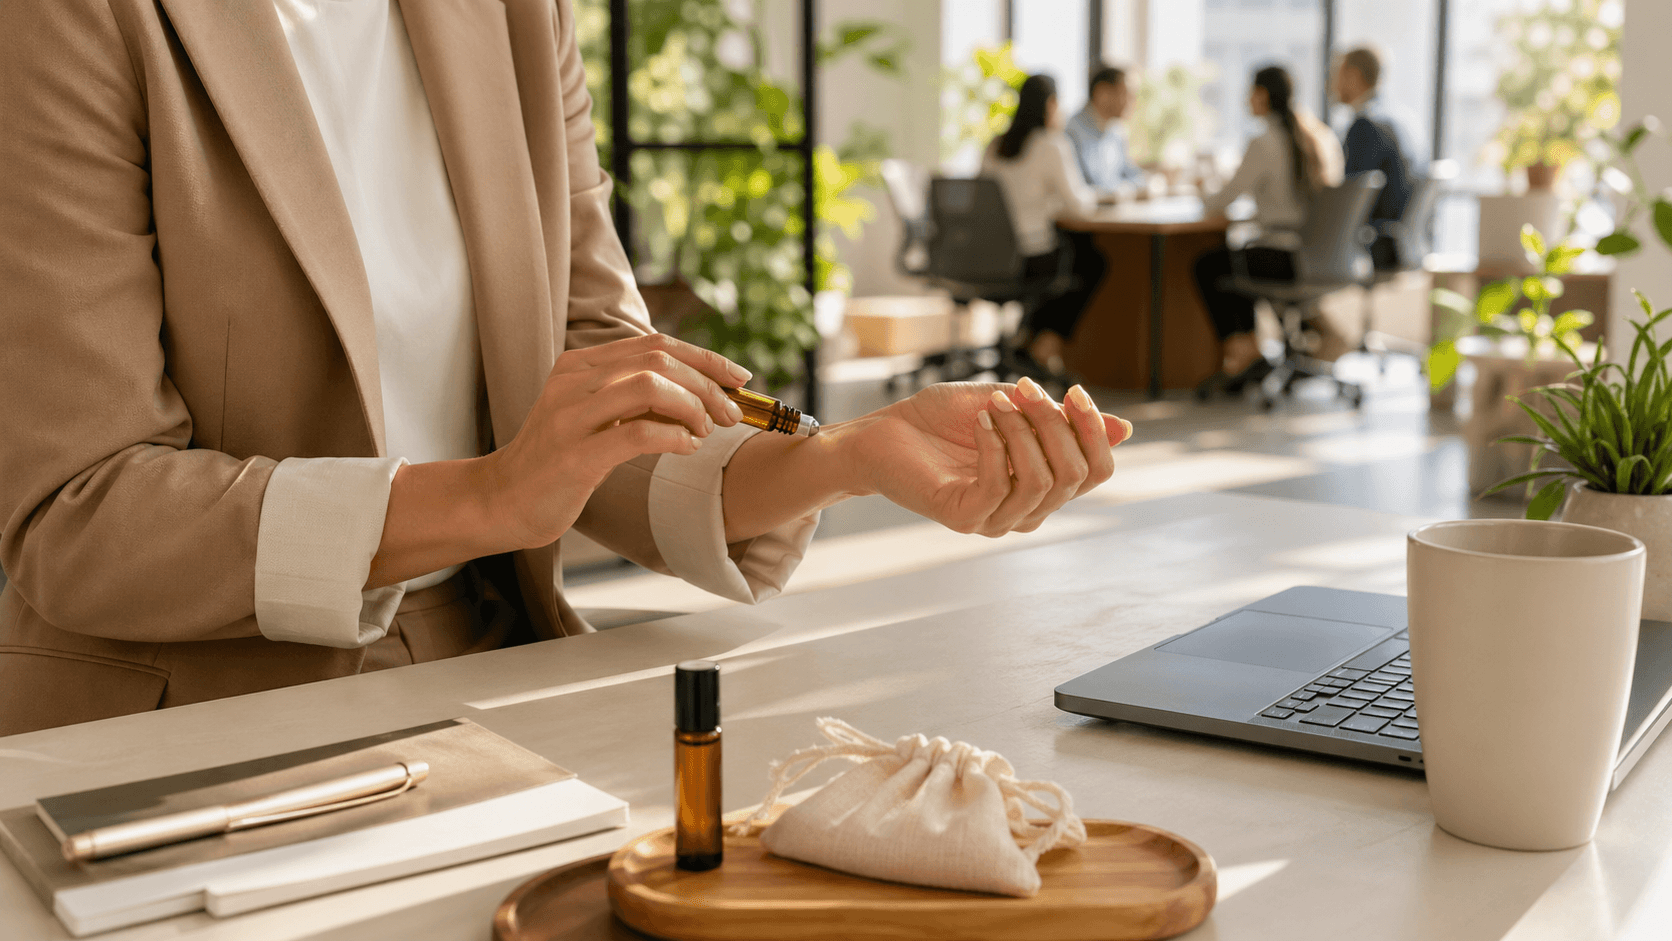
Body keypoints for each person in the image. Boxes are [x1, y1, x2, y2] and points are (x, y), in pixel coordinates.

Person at [0, 0, 1134, 735]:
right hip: (190, 721)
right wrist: (487, 494)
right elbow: (76, 512)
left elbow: (594, 389)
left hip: (494, 667)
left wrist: (846, 457)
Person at [1192, 65, 1344, 381]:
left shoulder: (1264, 141)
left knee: (1209, 265)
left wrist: (1200, 188)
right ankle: (1253, 348)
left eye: (1250, 92)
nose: (1247, 99)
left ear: (1262, 95)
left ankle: (1245, 348)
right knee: (1233, 259)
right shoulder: (1316, 134)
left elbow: (1221, 200)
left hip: (1284, 256)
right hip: (1318, 255)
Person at [981, 74, 1103, 378]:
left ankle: (1026, 337)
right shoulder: (1051, 144)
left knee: (1069, 253)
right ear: (1051, 105)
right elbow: (1080, 206)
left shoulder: (995, 145)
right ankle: (1046, 341)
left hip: (989, 258)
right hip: (1032, 260)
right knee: (1091, 261)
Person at [1335, 47, 1419, 270]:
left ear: (1353, 76)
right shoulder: (1399, 120)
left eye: (1337, 74)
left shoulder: (1365, 127)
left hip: (1377, 242)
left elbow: (1349, 197)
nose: (1332, 84)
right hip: (1400, 239)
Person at [1064, 66, 1147, 196]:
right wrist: (1122, 190)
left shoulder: (1117, 132)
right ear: (1103, 94)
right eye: (1126, 93)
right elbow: (1081, 189)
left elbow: (1133, 175)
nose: (1133, 102)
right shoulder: (1070, 133)